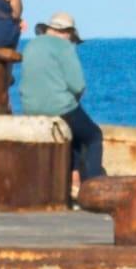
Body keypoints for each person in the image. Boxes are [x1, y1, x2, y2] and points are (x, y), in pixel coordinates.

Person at [9, 11, 104, 191]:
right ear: (68, 33)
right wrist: (74, 99)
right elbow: (77, 85)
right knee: (93, 136)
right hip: (60, 107)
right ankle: (94, 187)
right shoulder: (64, 47)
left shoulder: (31, 45)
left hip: (30, 109)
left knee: (72, 135)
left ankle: (72, 179)